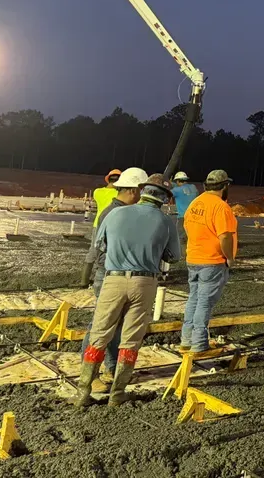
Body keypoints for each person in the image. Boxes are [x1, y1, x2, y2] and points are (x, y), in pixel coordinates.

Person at [77, 174, 180, 407]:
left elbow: (100, 245)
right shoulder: (165, 222)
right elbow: (173, 257)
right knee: (131, 338)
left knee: (99, 333)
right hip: (144, 283)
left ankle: (83, 391)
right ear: (165, 198)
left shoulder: (115, 213)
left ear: (142, 191)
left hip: (113, 280)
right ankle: (118, 393)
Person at [80, 166, 148, 392]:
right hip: (108, 274)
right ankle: (90, 374)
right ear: (131, 190)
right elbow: (101, 249)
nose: (140, 196)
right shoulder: (114, 213)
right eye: (139, 191)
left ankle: (110, 367)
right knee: (99, 326)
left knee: (116, 325)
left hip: (113, 273)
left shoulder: (122, 211)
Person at [180, 169, 237, 353]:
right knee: (204, 302)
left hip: (193, 258)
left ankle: (186, 339)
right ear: (225, 186)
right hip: (212, 261)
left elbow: (187, 227)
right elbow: (225, 237)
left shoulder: (196, 203)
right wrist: (229, 257)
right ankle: (198, 343)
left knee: (193, 299)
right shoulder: (221, 207)